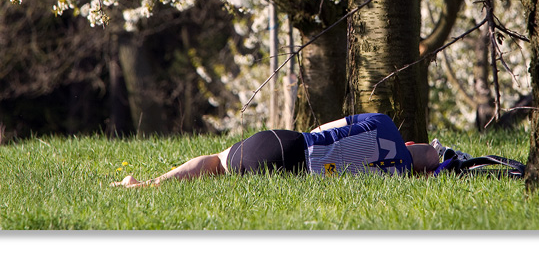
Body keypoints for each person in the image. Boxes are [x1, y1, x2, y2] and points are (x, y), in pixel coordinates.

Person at [111, 113, 442, 189]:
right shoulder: (397, 179)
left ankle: (148, 185)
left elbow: (326, 127)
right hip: (299, 173)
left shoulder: (384, 123)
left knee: (219, 160)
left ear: (410, 143)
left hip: (291, 144)